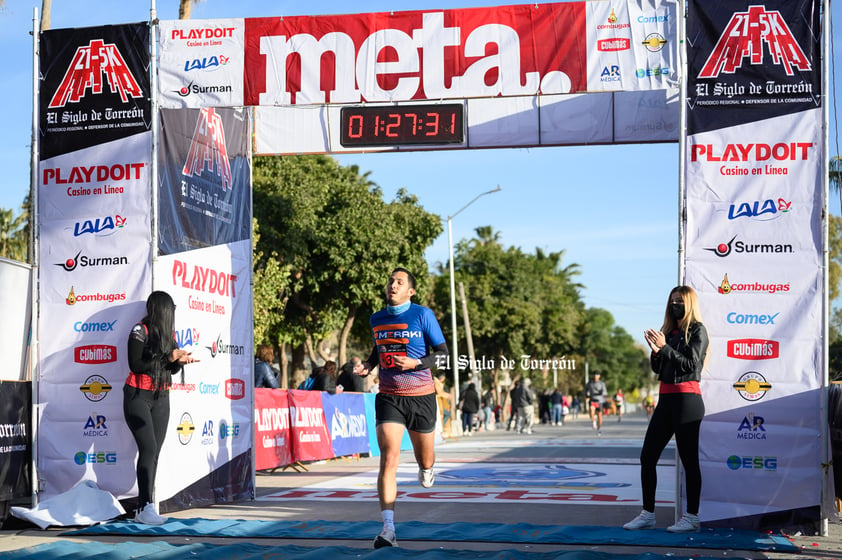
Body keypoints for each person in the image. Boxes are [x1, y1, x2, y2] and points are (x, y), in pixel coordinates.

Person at [353, 267, 448, 548]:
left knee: (425, 460)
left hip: (421, 396)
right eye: (391, 281)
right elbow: (378, 348)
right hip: (389, 396)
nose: (392, 285)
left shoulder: (423, 314)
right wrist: (369, 365)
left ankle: (427, 467)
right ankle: (389, 529)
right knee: (389, 458)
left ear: (410, 291)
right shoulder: (376, 318)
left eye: (399, 282)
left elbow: (443, 355)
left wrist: (416, 364)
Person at [623, 285, 709, 534]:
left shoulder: (698, 330)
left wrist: (666, 348)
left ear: (689, 302)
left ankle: (692, 517)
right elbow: (660, 369)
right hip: (665, 400)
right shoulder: (668, 331)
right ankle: (647, 514)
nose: (675, 305)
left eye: (679, 301)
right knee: (647, 457)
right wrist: (656, 352)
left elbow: (690, 364)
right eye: (672, 301)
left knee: (689, 461)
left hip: (688, 401)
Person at [123, 291, 198, 525]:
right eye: (170, 309)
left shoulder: (169, 335)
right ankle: (144, 506)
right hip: (137, 396)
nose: (172, 314)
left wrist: (178, 361)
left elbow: (170, 370)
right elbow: (136, 365)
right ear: (162, 310)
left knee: (154, 452)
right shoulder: (139, 331)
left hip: (161, 397)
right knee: (149, 449)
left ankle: (146, 507)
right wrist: (168, 358)